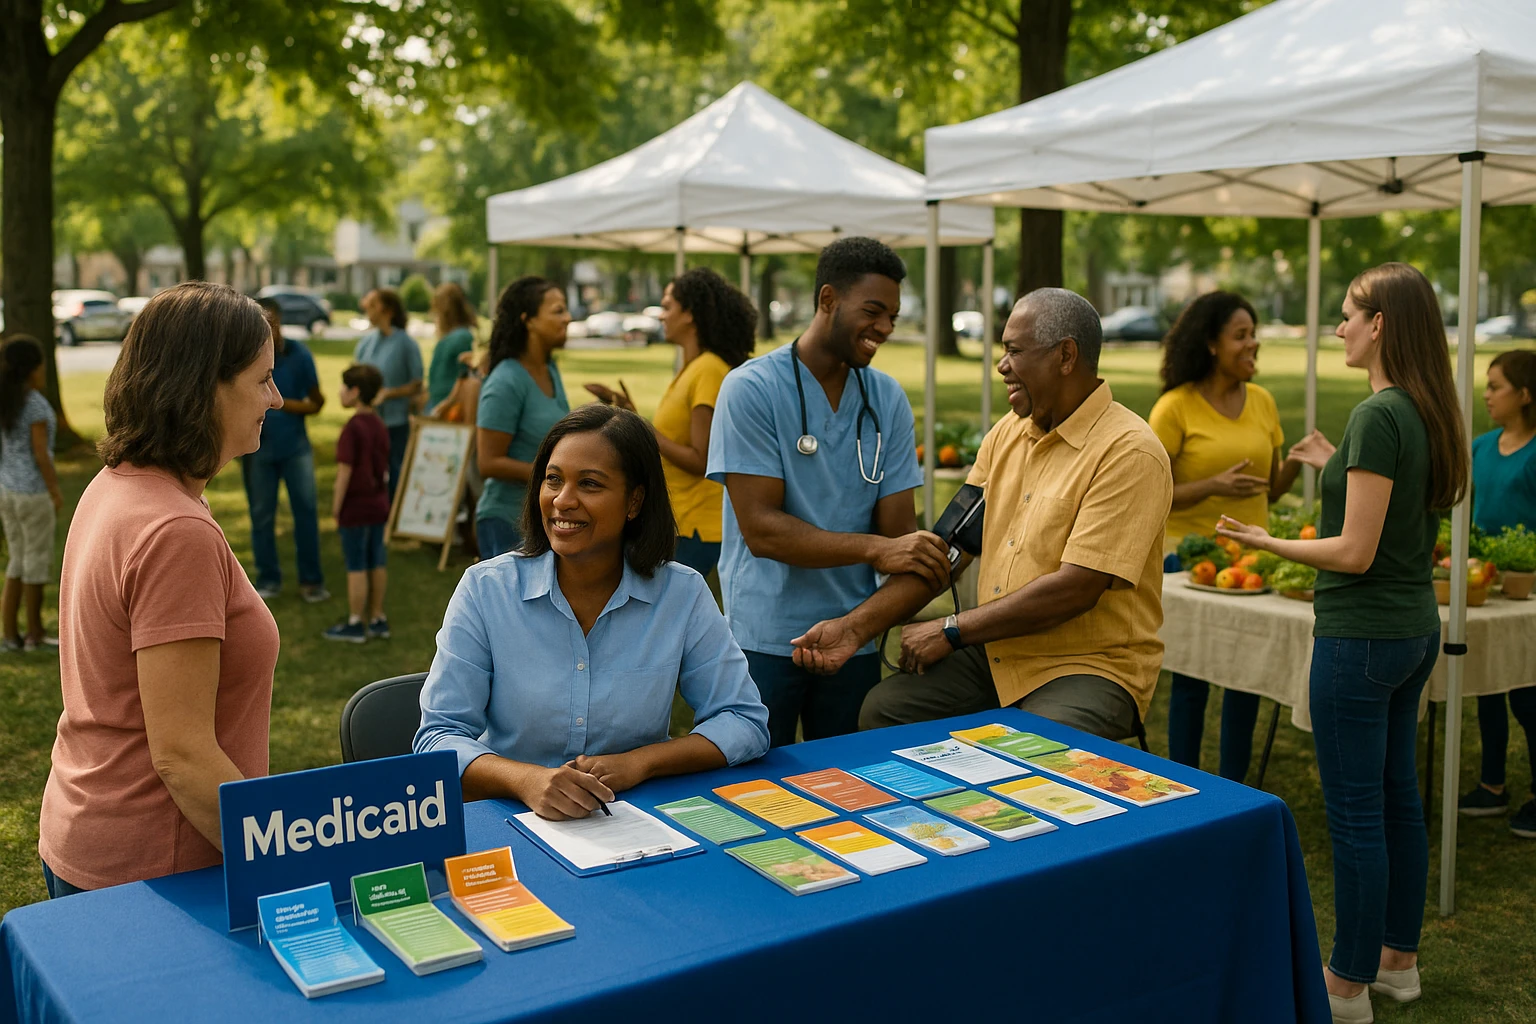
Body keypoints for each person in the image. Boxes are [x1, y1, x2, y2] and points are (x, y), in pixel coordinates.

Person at [1218, 262, 1467, 1021]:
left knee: (1359, 814)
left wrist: (1268, 540)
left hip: (1360, 640)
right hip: (1412, 633)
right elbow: (1388, 517)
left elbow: (1354, 551)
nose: (1339, 328)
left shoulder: (1379, 415)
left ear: (1381, 324)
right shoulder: (1426, 409)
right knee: (1398, 802)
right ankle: (1398, 964)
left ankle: (1349, 986)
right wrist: (1335, 470)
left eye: (1350, 315)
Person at [793, 288, 1172, 743]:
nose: (1002, 365)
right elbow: (949, 550)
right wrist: (854, 630)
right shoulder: (1006, 435)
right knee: (886, 711)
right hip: (998, 653)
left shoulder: (1130, 451)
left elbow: (1077, 588)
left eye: (1014, 350)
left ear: (1066, 355)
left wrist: (952, 630)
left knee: (1030, 750)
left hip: (1088, 664)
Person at [38, 282, 281, 897]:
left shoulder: (118, 484)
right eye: (261, 380)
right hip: (154, 867)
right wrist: (285, 867)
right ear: (206, 388)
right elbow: (183, 755)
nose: (276, 399)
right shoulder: (175, 531)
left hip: (92, 832)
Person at [415, 404, 770, 819]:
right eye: (553, 480)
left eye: (589, 484)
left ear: (634, 501)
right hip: (510, 818)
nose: (562, 501)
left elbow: (743, 721)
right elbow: (438, 737)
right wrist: (527, 780)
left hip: (633, 821)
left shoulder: (682, 593)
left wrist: (640, 762)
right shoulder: (486, 589)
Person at [706, 236, 947, 747]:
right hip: (765, 638)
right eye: (873, 311)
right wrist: (880, 549)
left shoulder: (886, 399)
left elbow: (899, 532)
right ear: (828, 300)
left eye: (893, 318)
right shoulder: (751, 389)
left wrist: (908, 557)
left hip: (854, 638)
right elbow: (763, 531)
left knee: (847, 787)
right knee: (752, 789)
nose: (883, 328)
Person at [1150, 291, 1302, 781]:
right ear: (1211, 344)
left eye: (1253, 333)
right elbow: (1152, 495)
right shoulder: (1175, 407)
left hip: (1248, 563)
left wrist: (1298, 460)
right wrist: (1212, 486)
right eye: (1241, 335)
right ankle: (1183, 782)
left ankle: (1235, 786)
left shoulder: (1263, 401)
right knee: (1192, 678)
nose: (1253, 343)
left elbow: (1273, 490)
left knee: (1246, 677)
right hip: (1188, 565)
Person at [587, 267, 756, 577]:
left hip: (695, 525)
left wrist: (646, 430)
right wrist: (630, 414)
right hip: (682, 519)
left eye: (667, 307)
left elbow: (701, 458)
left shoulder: (707, 369)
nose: (661, 316)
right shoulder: (694, 367)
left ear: (690, 313)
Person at [1459, 349, 1536, 837]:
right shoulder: (1482, 447)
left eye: (1496, 386)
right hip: (1482, 588)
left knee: (1527, 696)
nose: (1486, 394)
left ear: (1524, 395)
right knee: (1486, 686)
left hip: (1527, 594)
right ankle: (1491, 785)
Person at [475, 276, 571, 559]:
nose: (567, 318)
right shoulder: (506, 380)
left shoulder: (549, 368)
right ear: (528, 320)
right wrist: (554, 477)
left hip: (540, 518)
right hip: (506, 520)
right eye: (558, 311)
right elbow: (488, 462)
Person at [243, 297, 327, 602]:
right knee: (262, 515)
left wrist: (282, 404)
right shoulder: (244, 357)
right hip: (258, 449)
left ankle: (312, 581)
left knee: (305, 512)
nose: (270, 329)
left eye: (273, 321)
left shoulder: (299, 354)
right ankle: (268, 579)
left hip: (295, 448)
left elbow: (318, 402)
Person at [0, 336, 63, 651]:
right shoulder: (35, 404)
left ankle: (10, 634)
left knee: (17, 561)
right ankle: (35, 633)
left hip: (7, 489)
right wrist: (54, 491)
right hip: (32, 493)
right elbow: (42, 455)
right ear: (34, 368)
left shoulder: (6, 399)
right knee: (35, 562)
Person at [324, 364, 392, 644]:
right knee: (376, 560)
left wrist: (336, 507)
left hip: (356, 506)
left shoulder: (352, 428)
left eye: (344, 387)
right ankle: (377, 617)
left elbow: (345, 472)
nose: (340, 392)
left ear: (355, 392)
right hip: (379, 505)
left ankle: (355, 622)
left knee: (356, 565)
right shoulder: (379, 424)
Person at [353, 287, 423, 504]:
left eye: (373, 305)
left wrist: (389, 393)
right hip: (367, 421)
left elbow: (417, 384)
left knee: (395, 472)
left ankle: (394, 519)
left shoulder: (406, 344)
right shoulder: (366, 343)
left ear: (388, 311)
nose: (367, 309)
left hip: (395, 423)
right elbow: (354, 375)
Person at [427, 282, 478, 411]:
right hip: (438, 403)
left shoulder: (461, 337)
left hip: (451, 408)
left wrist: (448, 403)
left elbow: (465, 378)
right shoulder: (449, 337)